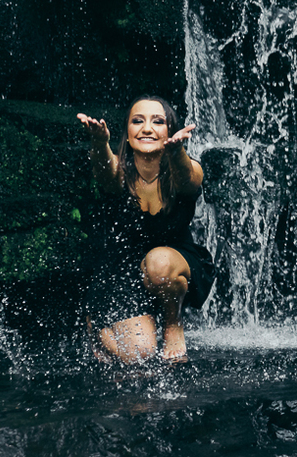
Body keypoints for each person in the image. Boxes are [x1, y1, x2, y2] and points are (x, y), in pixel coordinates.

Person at [77, 96, 214, 364]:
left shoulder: (187, 169)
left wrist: (176, 152)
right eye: (137, 121)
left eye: (158, 121)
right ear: (127, 135)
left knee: (159, 262)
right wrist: (99, 142)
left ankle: (172, 324)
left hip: (173, 263)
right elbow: (106, 173)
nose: (147, 128)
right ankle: (97, 328)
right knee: (140, 357)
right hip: (124, 272)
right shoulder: (119, 172)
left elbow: (189, 179)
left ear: (170, 131)